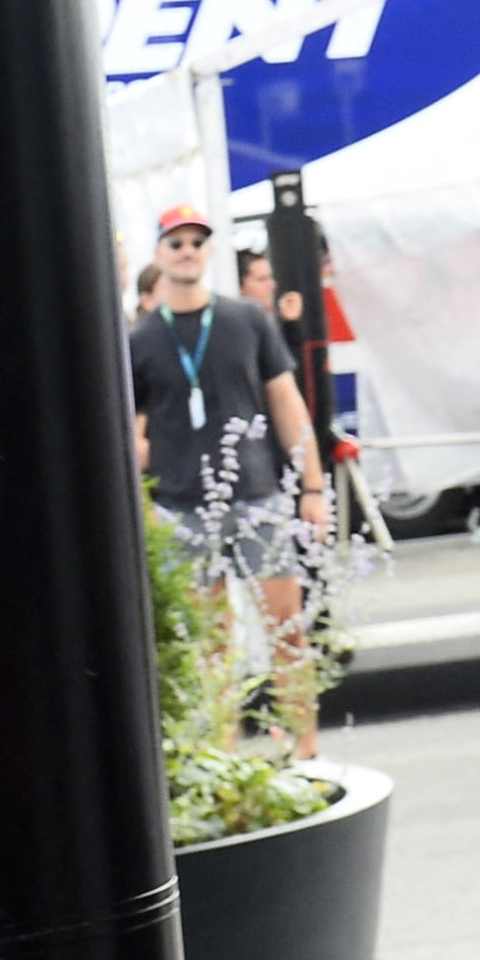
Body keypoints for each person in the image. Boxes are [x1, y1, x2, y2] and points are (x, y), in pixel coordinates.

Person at [128, 204, 329, 758]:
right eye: (176, 242)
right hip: (181, 506)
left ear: (209, 251)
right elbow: (131, 432)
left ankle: (305, 750)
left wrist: (312, 486)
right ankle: (223, 759)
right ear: (159, 254)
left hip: (257, 496)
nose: (187, 250)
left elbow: (286, 403)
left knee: (285, 627)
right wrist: (142, 508)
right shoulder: (141, 340)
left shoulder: (245, 320)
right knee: (209, 645)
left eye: (197, 241)